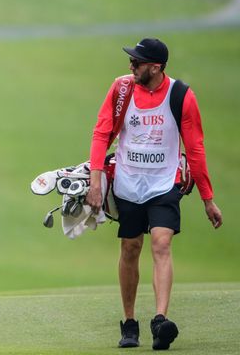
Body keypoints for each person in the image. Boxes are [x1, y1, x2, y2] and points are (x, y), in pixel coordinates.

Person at [86, 38, 223, 351]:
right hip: (127, 183)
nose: (131, 65)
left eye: (137, 62)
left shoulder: (181, 96)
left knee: (161, 242)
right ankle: (130, 323)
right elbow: (101, 131)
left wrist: (207, 199)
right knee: (131, 246)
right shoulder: (121, 89)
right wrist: (95, 179)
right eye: (132, 60)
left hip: (164, 184)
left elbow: (196, 148)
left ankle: (160, 320)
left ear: (156, 67)